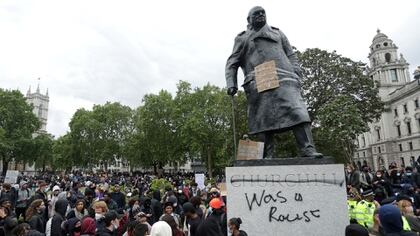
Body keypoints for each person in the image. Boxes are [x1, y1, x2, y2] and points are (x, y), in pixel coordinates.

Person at [225, 6, 322, 158]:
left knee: (298, 111)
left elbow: (290, 54)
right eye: (256, 13)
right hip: (259, 78)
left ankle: (307, 148)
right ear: (248, 19)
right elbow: (232, 62)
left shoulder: (277, 33)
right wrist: (231, 83)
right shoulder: (243, 38)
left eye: (263, 12)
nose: (260, 15)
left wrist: (296, 72)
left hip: (284, 77)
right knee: (263, 119)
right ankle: (266, 155)